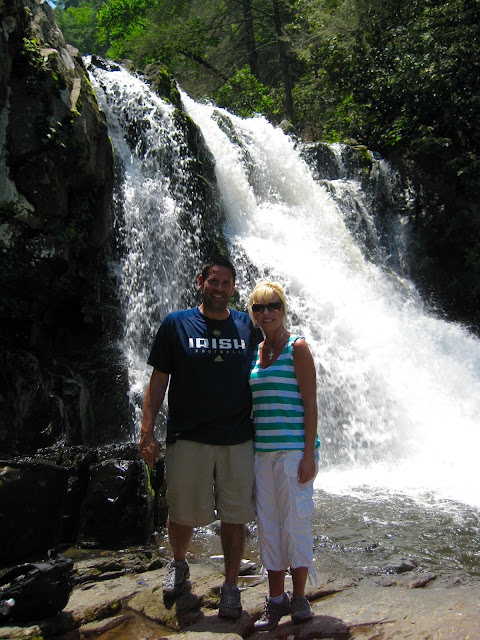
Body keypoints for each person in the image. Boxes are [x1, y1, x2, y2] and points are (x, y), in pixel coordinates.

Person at [139, 257, 259, 619]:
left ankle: (231, 585)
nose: (219, 289)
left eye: (226, 283)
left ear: (234, 287)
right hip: (188, 435)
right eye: (213, 281)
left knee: (235, 515)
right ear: (200, 282)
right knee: (181, 510)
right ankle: (178, 563)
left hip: (237, 436)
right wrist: (147, 431)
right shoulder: (176, 324)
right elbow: (158, 381)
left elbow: (267, 371)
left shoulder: (248, 325)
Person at [248, 281, 321, 631]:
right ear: (253, 314)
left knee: (296, 523)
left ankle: (300, 597)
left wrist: (309, 454)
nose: (267, 313)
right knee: (269, 526)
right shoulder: (256, 352)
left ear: (283, 309)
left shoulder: (298, 348)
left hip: (293, 452)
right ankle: (276, 599)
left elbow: (311, 403)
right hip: (262, 453)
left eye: (273, 305)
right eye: (259, 307)